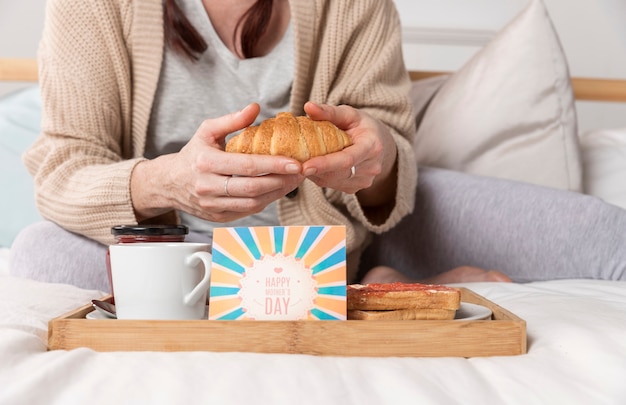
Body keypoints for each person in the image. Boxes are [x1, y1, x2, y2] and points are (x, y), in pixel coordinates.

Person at [11, 0, 626, 292]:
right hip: (180, 248)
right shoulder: (94, 5)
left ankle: (362, 279)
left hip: (352, 226)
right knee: (42, 256)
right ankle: (367, 294)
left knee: (603, 235)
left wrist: (377, 159)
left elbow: (389, 151)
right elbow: (64, 169)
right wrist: (167, 183)